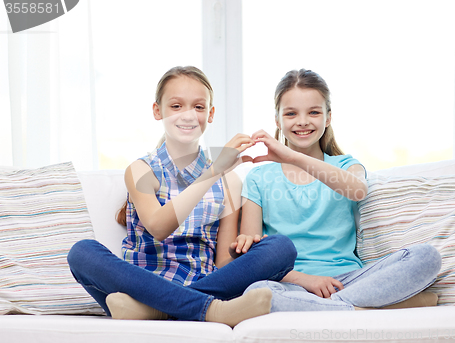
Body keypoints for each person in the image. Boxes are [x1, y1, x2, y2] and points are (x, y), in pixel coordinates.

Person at [67, 66, 296, 327]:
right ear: (158, 111)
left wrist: (244, 248)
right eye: (176, 106)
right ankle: (213, 311)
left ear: (210, 114)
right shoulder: (142, 170)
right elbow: (157, 227)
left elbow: (222, 262)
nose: (188, 115)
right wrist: (212, 172)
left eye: (198, 107)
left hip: (203, 283)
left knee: (281, 248)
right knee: (82, 252)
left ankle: (157, 310)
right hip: (141, 284)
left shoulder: (229, 181)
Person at [241, 69, 442, 312]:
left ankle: (329, 308)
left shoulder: (346, 165)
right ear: (277, 121)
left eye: (314, 112)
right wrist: (307, 281)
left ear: (328, 118)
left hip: (349, 281)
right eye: (291, 113)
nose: (303, 121)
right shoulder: (258, 177)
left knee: (426, 256)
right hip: (291, 283)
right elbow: (252, 257)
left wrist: (293, 157)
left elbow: (357, 191)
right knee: (257, 292)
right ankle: (357, 310)